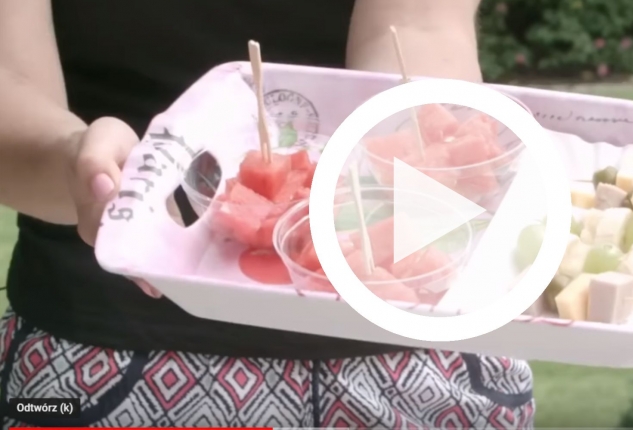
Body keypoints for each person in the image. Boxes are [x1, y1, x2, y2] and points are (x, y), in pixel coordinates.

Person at [0, 0, 535, 427]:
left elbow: (418, 26)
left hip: (420, 359)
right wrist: (76, 162)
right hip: (91, 368)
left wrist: (426, 146)